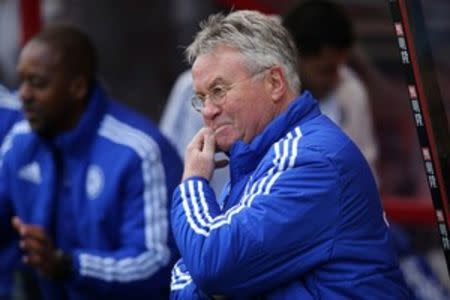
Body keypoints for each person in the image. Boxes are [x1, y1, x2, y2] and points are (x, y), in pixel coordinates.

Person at [169, 10, 408, 299]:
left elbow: (211, 264)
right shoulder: (260, 157)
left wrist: (193, 182)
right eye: (202, 97)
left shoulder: (311, 159)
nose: (208, 111)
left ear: (275, 83)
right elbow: (193, 269)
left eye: (219, 90)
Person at [0, 25, 183, 299]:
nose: (23, 94)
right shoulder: (21, 141)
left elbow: (157, 264)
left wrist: (68, 264)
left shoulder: (138, 152)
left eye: (38, 83)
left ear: (78, 87)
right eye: (22, 81)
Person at [283, 0, 378, 174]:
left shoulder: (350, 91)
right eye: (325, 70)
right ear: (293, 57)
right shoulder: (256, 80)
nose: (334, 79)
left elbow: (365, 169)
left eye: (339, 67)